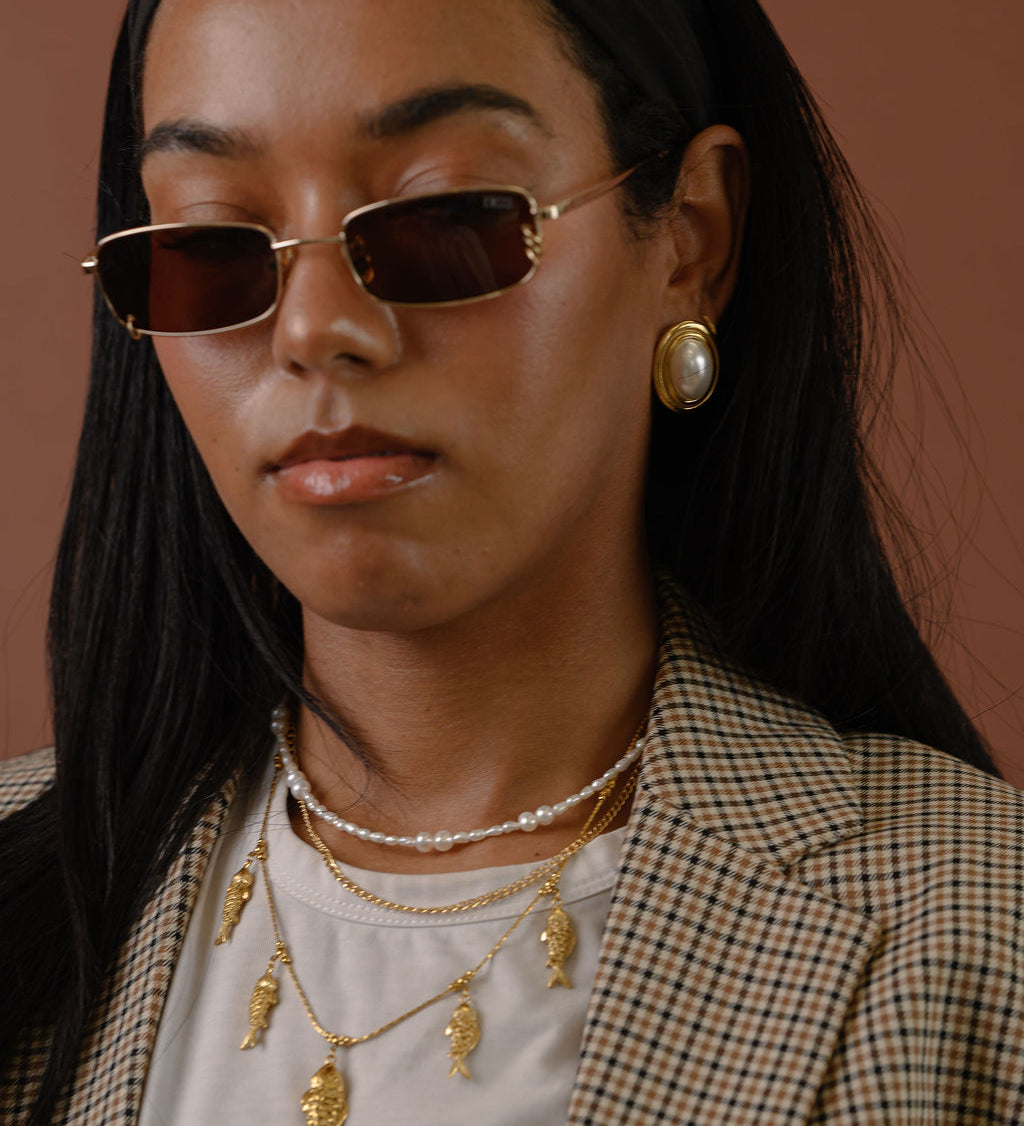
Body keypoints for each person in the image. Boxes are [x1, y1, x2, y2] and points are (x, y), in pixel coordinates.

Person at [2, 0, 1021, 1123]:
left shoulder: (972, 934)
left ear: (690, 241)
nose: (313, 328)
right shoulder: (28, 898)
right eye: (210, 243)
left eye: (442, 215)